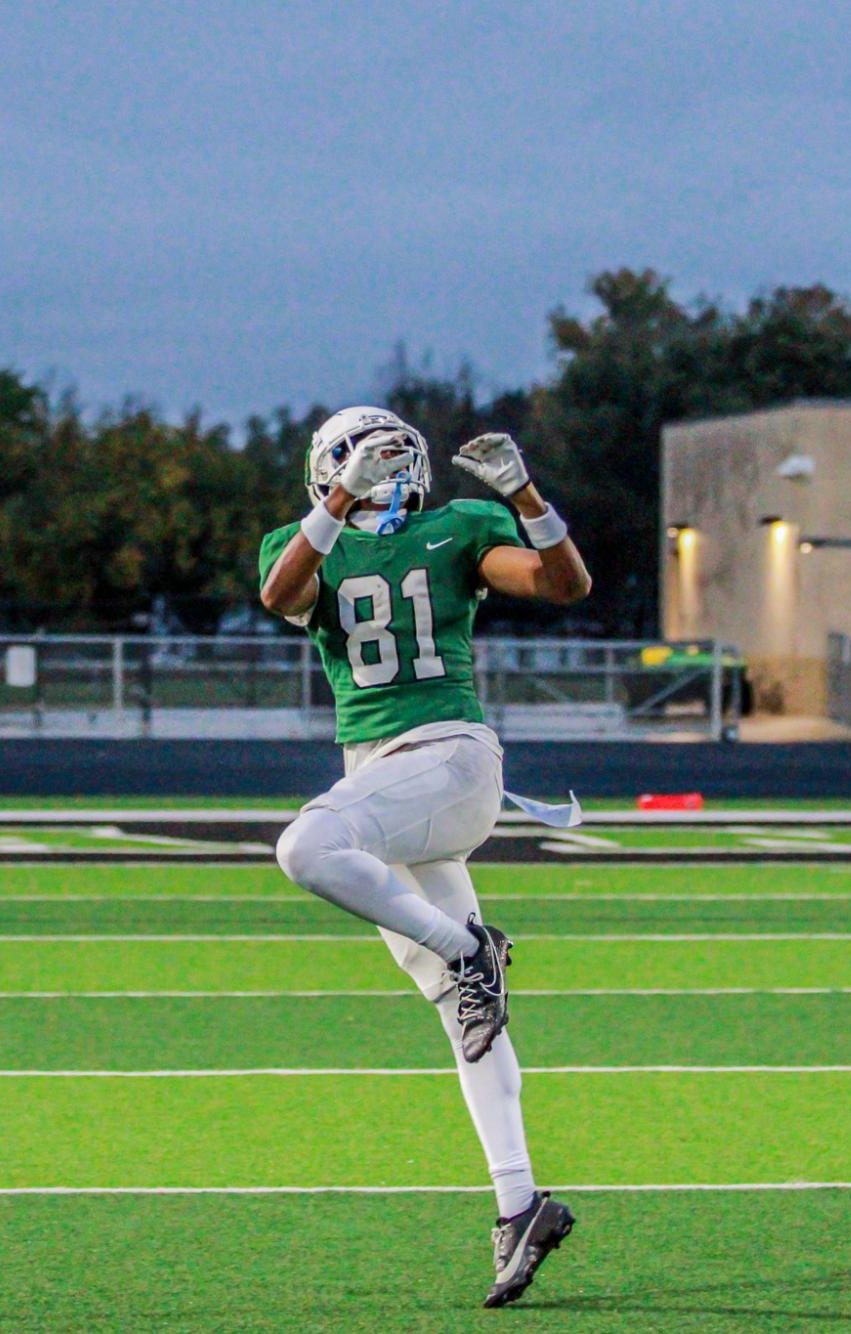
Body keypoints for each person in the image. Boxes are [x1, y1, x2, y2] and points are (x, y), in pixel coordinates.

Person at [258, 408, 592, 1308]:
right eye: (368, 459)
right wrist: (340, 497)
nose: (389, 469)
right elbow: (282, 598)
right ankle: (520, 1204)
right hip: (384, 777)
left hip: (448, 756)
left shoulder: (458, 527)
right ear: (331, 467)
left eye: (394, 457)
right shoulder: (300, 543)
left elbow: (561, 583)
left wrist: (522, 494)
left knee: (307, 847)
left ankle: (469, 949)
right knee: (466, 1015)